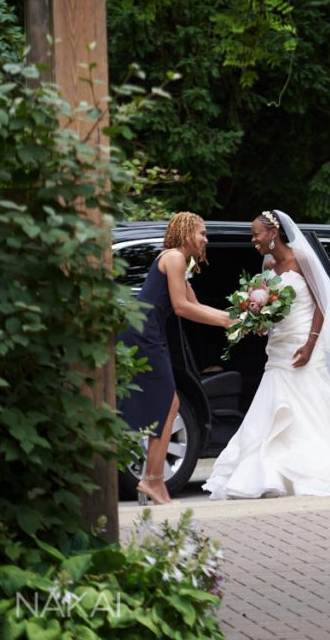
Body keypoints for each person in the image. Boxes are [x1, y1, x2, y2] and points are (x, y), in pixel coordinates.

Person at [203, 210, 330, 499]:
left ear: (273, 233)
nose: (253, 239)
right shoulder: (268, 263)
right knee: (272, 405)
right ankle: (269, 472)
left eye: (256, 233)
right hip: (280, 345)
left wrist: (310, 344)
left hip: (304, 341)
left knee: (311, 405)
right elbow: (269, 304)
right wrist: (259, 322)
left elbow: (323, 303)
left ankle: (318, 469)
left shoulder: (303, 258)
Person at [118, 212, 233, 505]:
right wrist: (227, 322)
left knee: (169, 405)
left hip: (150, 333)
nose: (205, 239)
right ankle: (152, 480)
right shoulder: (174, 258)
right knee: (168, 404)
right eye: (202, 233)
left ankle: (152, 479)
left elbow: (195, 305)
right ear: (185, 232)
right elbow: (182, 308)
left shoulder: (178, 262)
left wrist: (237, 319)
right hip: (145, 333)